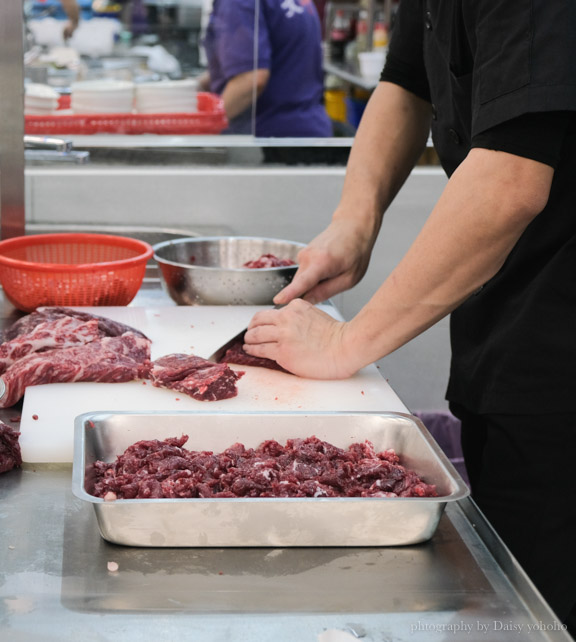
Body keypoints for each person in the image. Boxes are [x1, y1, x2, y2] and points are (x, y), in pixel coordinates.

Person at [242, 0, 576, 628]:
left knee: (540, 613)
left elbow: (511, 182)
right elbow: (406, 82)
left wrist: (347, 345)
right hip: (508, 328)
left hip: (561, 355)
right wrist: (354, 222)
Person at [201, 0, 331, 137]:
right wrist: (194, 86)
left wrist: (204, 129)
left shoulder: (237, 2)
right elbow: (249, 60)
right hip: (310, 130)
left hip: (270, 139)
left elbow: (251, 79)